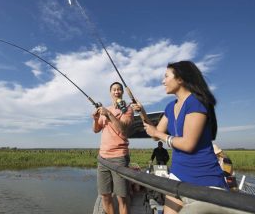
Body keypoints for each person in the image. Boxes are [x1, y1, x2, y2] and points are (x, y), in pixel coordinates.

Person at [134, 61, 227, 214]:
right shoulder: (170, 107)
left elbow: (188, 144)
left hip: (204, 181)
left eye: (166, 76)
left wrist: (157, 134)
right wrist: (142, 112)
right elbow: (155, 134)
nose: (162, 81)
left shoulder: (196, 102)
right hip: (177, 175)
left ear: (180, 79)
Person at [92, 82, 134, 214]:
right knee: (105, 195)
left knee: (122, 197)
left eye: (119, 90)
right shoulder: (106, 109)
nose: (116, 92)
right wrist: (95, 118)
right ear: (110, 92)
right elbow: (96, 130)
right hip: (103, 158)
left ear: (122, 92)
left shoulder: (127, 109)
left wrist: (109, 114)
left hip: (119, 157)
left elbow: (123, 129)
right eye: (114, 90)